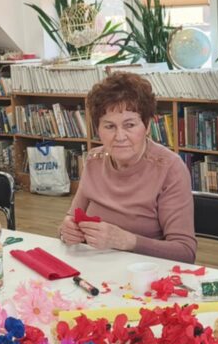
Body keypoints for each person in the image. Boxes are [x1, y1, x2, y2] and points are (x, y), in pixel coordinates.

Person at [58, 72, 197, 263]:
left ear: (147, 126)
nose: (120, 137)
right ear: (98, 129)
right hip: (94, 265)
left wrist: (127, 241)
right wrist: (66, 230)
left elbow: (185, 252)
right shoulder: (93, 159)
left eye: (129, 125)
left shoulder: (170, 168)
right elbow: (70, 219)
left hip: (145, 272)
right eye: (109, 126)